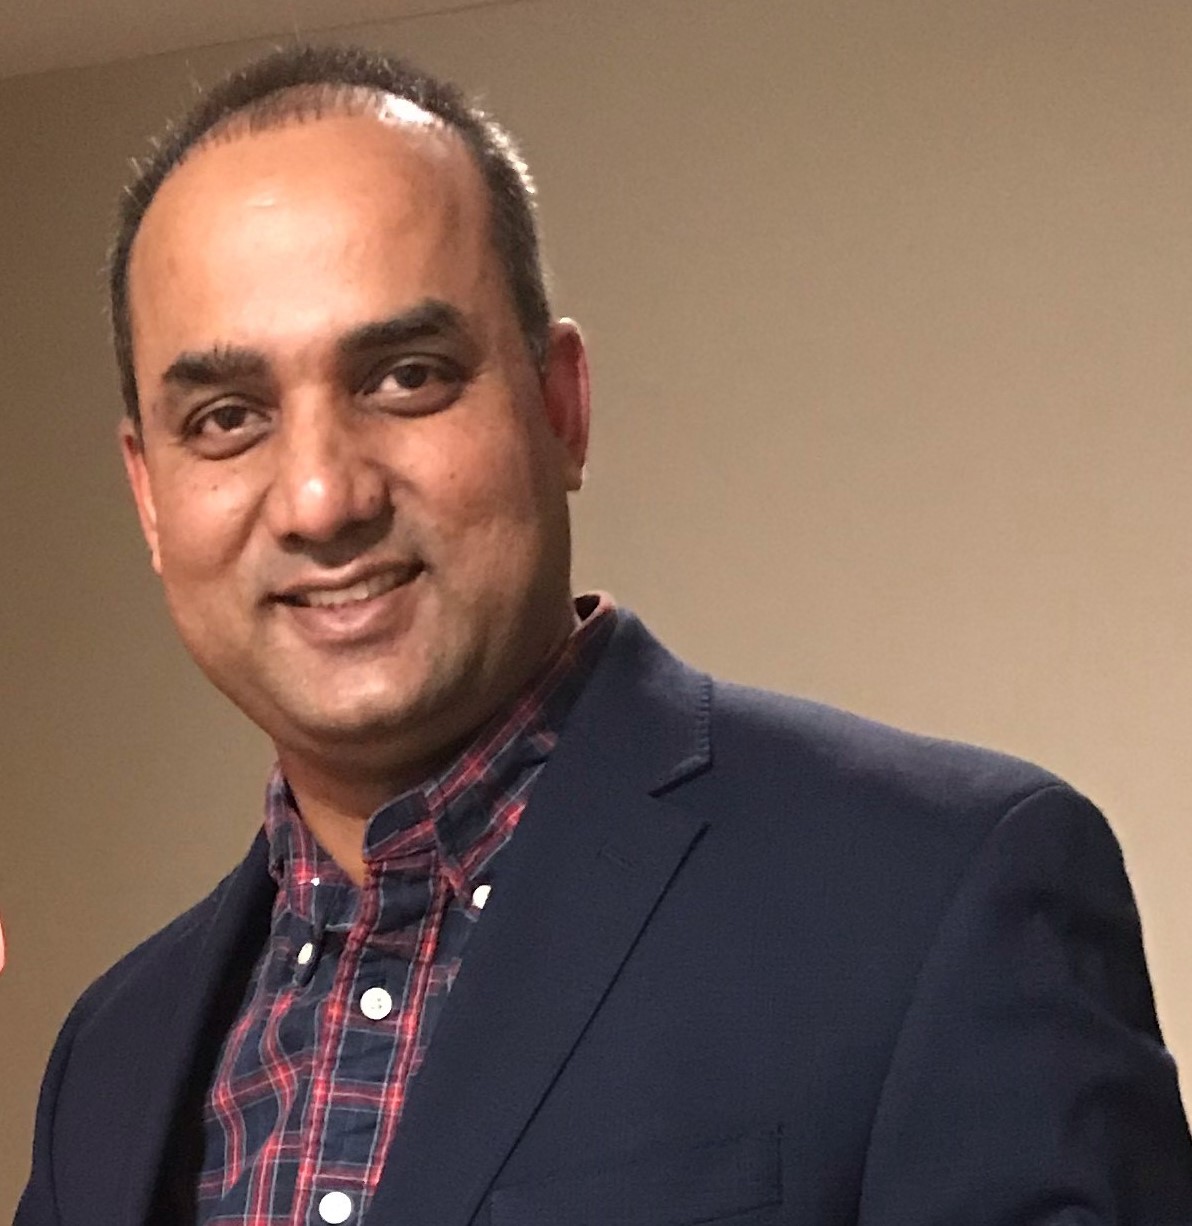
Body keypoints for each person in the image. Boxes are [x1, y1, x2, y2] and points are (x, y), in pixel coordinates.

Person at [14, 42, 1192, 1226]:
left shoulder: (937, 895)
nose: (323, 498)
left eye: (406, 376)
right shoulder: (108, 1058)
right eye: (227, 417)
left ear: (561, 406)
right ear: (150, 495)